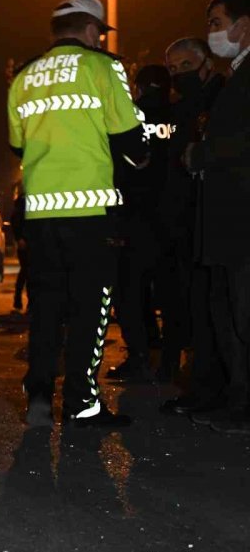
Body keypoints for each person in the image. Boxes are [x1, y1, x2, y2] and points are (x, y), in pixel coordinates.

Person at [6, 0, 148, 428]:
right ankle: (82, 403)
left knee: (46, 306)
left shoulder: (23, 76)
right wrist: (141, 154)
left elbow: (17, 145)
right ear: (92, 31)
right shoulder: (104, 68)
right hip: (90, 212)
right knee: (91, 307)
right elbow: (130, 141)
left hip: (41, 213)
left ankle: (39, 398)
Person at [183, 0, 250, 435]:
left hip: (243, 220)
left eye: (216, 23)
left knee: (244, 315)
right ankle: (237, 400)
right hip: (228, 221)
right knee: (231, 313)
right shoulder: (237, 75)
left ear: (243, 26)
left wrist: (202, 154)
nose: (212, 34)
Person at [157, 38, 224, 398]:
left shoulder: (219, 100)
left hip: (206, 219)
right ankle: (194, 375)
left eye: (185, 66)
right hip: (180, 220)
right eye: (172, 69)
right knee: (184, 299)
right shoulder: (181, 108)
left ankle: (208, 380)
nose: (178, 74)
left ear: (205, 64)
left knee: (206, 301)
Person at [106, 65, 173, 383]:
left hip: (133, 218)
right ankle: (169, 357)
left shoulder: (130, 116)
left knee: (130, 291)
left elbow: (118, 162)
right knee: (170, 291)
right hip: (173, 218)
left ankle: (140, 355)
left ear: (139, 86)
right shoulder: (179, 113)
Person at [9, 181, 29, 312]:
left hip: (32, 241)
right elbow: (15, 220)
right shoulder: (23, 201)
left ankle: (24, 302)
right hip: (26, 243)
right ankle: (19, 300)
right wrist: (19, 238)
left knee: (27, 272)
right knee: (27, 271)